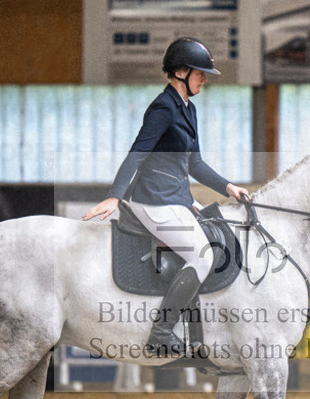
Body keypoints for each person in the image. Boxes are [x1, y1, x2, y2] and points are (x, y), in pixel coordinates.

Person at [83, 37, 250, 357]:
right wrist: (115, 197)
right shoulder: (163, 107)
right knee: (203, 256)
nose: (204, 78)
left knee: (218, 234)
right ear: (181, 72)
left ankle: (200, 335)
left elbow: (195, 164)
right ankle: (160, 333)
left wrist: (229, 187)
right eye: (200, 73)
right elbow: (137, 155)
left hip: (176, 196)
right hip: (154, 200)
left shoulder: (189, 109)